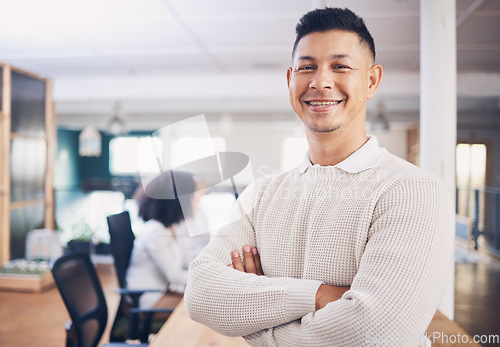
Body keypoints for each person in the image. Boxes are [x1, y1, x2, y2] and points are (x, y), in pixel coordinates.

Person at [184, 7, 454, 346]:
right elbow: (201, 293)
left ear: (371, 81)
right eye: (307, 67)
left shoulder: (412, 191)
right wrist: (322, 295)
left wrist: (255, 320)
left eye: (340, 66)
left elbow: (376, 333)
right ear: (289, 79)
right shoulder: (261, 194)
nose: (320, 81)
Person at [126, 170, 199, 309]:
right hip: (147, 297)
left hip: (163, 291)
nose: (194, 200)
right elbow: (174, 275)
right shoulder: (155, 231)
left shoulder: (172, 227)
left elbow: (187, 260)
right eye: (190, 195)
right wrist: (208, 279)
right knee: (201, 309)